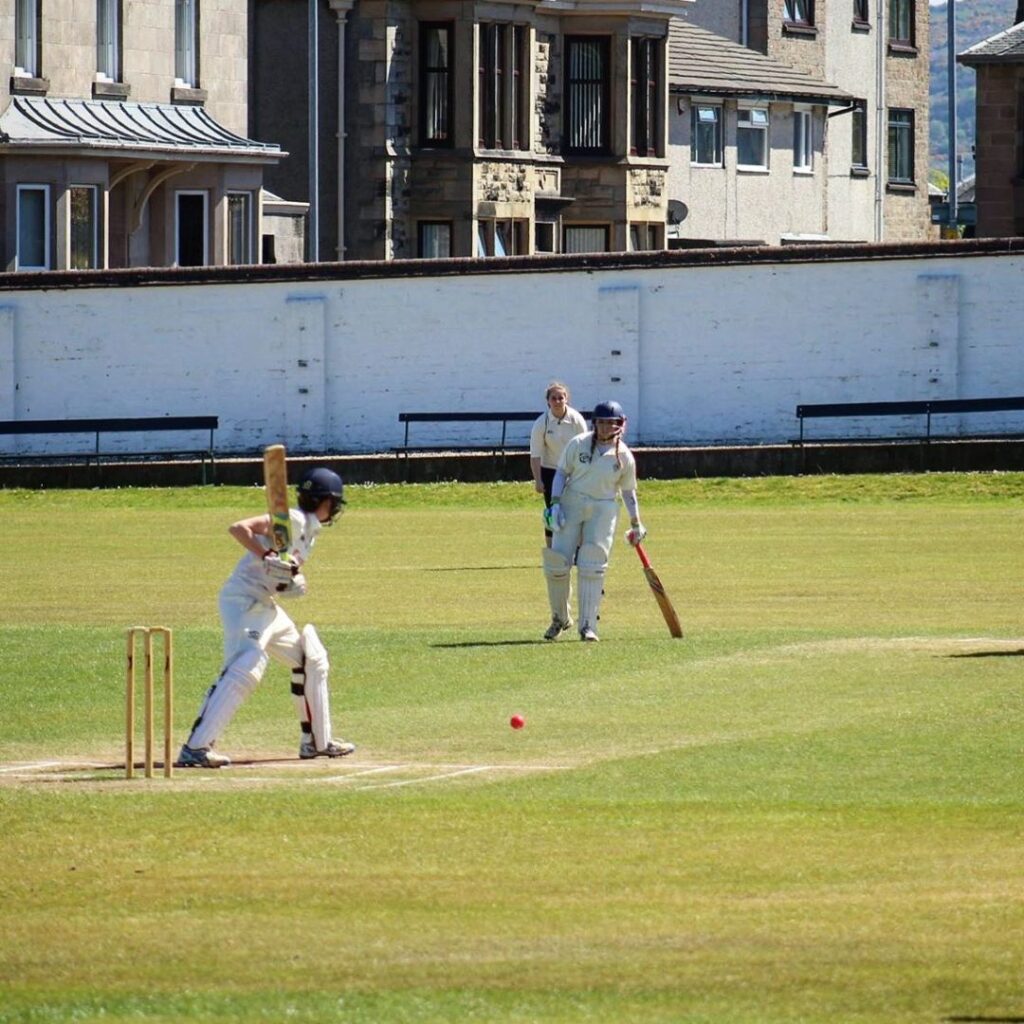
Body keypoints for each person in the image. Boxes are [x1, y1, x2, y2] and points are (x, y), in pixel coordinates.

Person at [178, 466, 356, 768]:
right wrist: (266, 557)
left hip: (266, 604)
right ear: (323, 501)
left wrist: (292, 583)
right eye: (333, 502)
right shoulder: (293, 520)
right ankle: (196, 747)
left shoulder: (309, 532)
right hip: (242, 600)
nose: (335, 509)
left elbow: (281, 575)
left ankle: (316, 742)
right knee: (248, 665)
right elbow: (238, 528)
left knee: (310, 658)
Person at [541, 400, 646, 642]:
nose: (606, 428)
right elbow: (561, 473)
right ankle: (559, 618)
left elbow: (629, 492)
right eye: (602, 422)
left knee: (592, 563)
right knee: (557, 562)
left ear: (620, 425)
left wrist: (636, 523)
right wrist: (555, 503)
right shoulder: (578, 444)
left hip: (603, 508)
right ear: (594, 423)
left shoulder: (624, 456)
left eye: (612, 423)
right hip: (572, 503)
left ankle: (588, 626)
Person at [529, 382, 587, 546]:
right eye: (553, 398)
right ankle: (552, 552)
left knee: (576, 512)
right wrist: (538, 480)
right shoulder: (542, 423)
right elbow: (535, 455)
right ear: (548, 401)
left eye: (561, 397)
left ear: (566, 399)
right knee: (553, 512)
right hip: (550, 471)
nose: (557, 401)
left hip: (573, 471)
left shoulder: (576, 420)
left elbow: (585, 449)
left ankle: (578, 552)